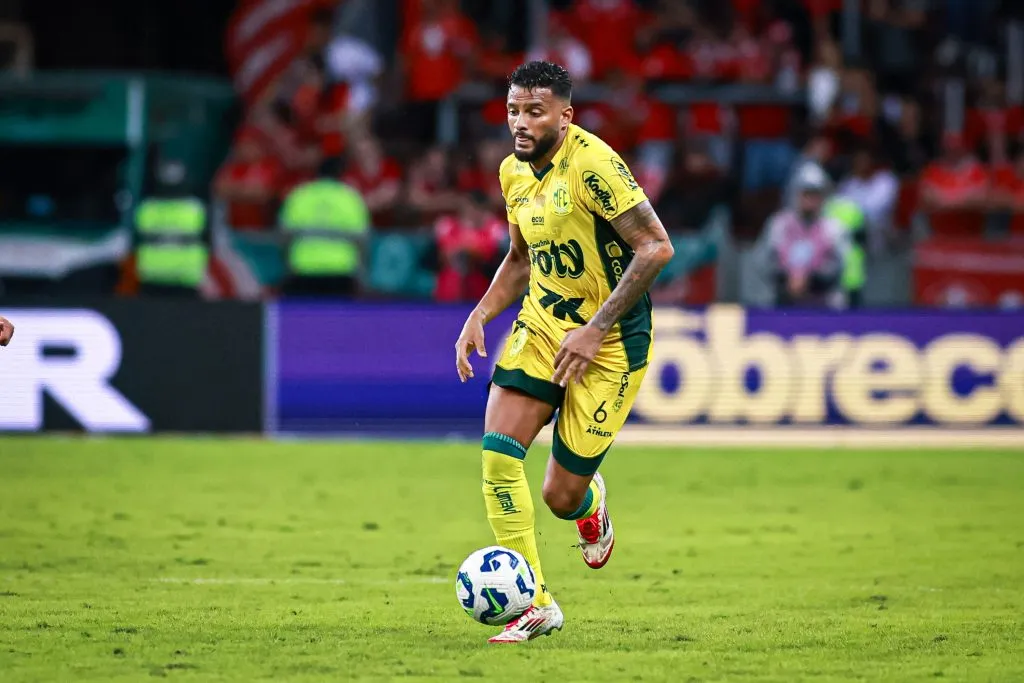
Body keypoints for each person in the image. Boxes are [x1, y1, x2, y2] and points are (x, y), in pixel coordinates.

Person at [453, 61, 674, 644]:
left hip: (610, 341)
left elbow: (656, 247)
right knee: (499, 456)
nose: (520, 124)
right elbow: (522, 260)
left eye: (534, 111)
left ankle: (588, 503)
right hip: (543, 324)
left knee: (559, 495)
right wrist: (479, 313)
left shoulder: (593, 165)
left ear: (564, 115)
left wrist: (597, 329)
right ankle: (536, 603)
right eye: (512, 111)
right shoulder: (512, 173)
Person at [765, 163, 849, 309]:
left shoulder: (834, 228)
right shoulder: (779, 224)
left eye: (815, 194)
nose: (810, 200)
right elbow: (766, 262)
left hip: (824, 302)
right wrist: (788, 278)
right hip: (786, 300)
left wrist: (809, 280)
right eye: (806, 193)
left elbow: (840, 266)